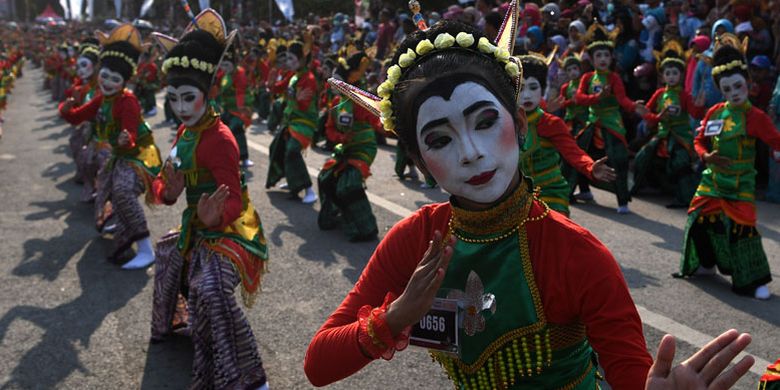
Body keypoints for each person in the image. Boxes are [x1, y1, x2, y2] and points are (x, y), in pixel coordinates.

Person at [304, 6, 754, 389]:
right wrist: (394, 317)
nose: (471, 152)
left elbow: (632, 375)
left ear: (519, 124)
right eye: (440, 140)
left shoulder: (577, 254)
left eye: (485, 122)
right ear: (420, 161)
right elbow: (318, 364)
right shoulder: (418, 240)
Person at [149, 10, 269, 389]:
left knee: (210, 287)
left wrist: (214, 215)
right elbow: (165, 184)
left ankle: (249, 375)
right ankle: (193, 329)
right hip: (199, 225)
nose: (181, 108)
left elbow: (233, 201)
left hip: (232, 229)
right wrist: (168, 192)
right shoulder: (184, 134)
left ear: (207, 93)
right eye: (174, 99)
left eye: (189, 98)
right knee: (167, 254)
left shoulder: (221, 139)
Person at [676, 34, 779, 300]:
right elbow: (699, 141)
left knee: (743, 230)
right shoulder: (715, 112)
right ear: (721, 91)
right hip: (712, 179)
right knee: (698, 220)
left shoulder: (755, 117)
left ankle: (753, 281)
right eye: (727, 89)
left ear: (747, 83)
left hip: (740, 182)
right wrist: (706, 156)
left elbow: (776, 141)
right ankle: (707, 262)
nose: (734, 93)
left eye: (738, 86)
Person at [59, 24, 162, 269]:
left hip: (139, 155)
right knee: (105, 189)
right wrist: (67, 108)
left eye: (115, 79)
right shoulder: (102, 98)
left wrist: (127, 138)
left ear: (124, 82)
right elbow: (77, 116)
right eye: (104, 76)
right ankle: (116, 222)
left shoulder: (128, 101)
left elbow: (131, 133)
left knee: (124, 191)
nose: (107, 82)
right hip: (118, 153)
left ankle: (146, 249)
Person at [517, 54, 615, 215]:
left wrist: (590, 167)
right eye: (520, 89)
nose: (527, 95)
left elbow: (574, 152)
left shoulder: (551, 123)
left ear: (542, 89)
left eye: (533, 87)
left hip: (550, 193)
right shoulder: (504, 124)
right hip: (516, 195)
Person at [574, 21, 649, 214]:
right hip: (592, 122)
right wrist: (597, 97)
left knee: (618, 159)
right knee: (578, 154)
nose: (603, 59)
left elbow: (623, 100)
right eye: (598, 55)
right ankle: (583, 190)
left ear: (611, 58)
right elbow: (579, 98)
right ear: (592, 59)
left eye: (606, 55)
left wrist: (634, 107)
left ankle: (622, 200)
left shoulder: (614, 78)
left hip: (611, 123)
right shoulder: (587, 78)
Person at [633, 42, 706, 208]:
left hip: (680, 136)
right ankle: (645, 186)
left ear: (681, 75)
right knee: (641, 157)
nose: (671, 76)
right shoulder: (659, 94)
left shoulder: (684, 95)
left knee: (681, 162)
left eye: (675, 73)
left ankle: (684, 197)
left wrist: (700, 105)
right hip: (662, 135)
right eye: (668, 73)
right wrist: (655, 116)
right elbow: (647, 115)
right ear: (662, 76)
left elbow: (695, 114)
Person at [319, 51, 380, 242]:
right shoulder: (337, 104)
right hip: (344, 149)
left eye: (338, 81)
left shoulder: (361, 100)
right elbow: (329, 129)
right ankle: (337, 214)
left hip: (363, 148)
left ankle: (366, 227)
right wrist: (340, 137)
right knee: (325, 177)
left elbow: (377, 121)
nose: (333, 84)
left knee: (349, 184)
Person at [265, 40, 318, 204]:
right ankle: (292, 180)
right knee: (276, 148)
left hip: (304, 123)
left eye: (291, 58)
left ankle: (309, 189)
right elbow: (278, 88)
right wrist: (271, 82)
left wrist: (295, 98)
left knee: (293, 151)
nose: (288, 62)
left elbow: (304, 104)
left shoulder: (309, 78)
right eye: (287, 58)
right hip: (290, 122)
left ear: (302, 59)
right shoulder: (293, 76)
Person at [66, 38, 100, 188]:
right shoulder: (86, 85)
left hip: (106, 136)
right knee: (76, 142)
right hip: (90, 127)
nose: (80, 70)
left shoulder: (103, 86)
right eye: (78, 66)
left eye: (84, 65)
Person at [216, 49, 254, 168]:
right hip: (227, 109)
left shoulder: (240, 74)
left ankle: (244, 157)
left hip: (239, 109)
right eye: (222, 65)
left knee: (236, 129)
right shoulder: (224, 74)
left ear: (234, 63)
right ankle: (227, 156)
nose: (224, 68)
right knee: (219, 130)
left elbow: (241, 93)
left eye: (227, 65)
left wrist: (242, 109)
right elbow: (216, 86)